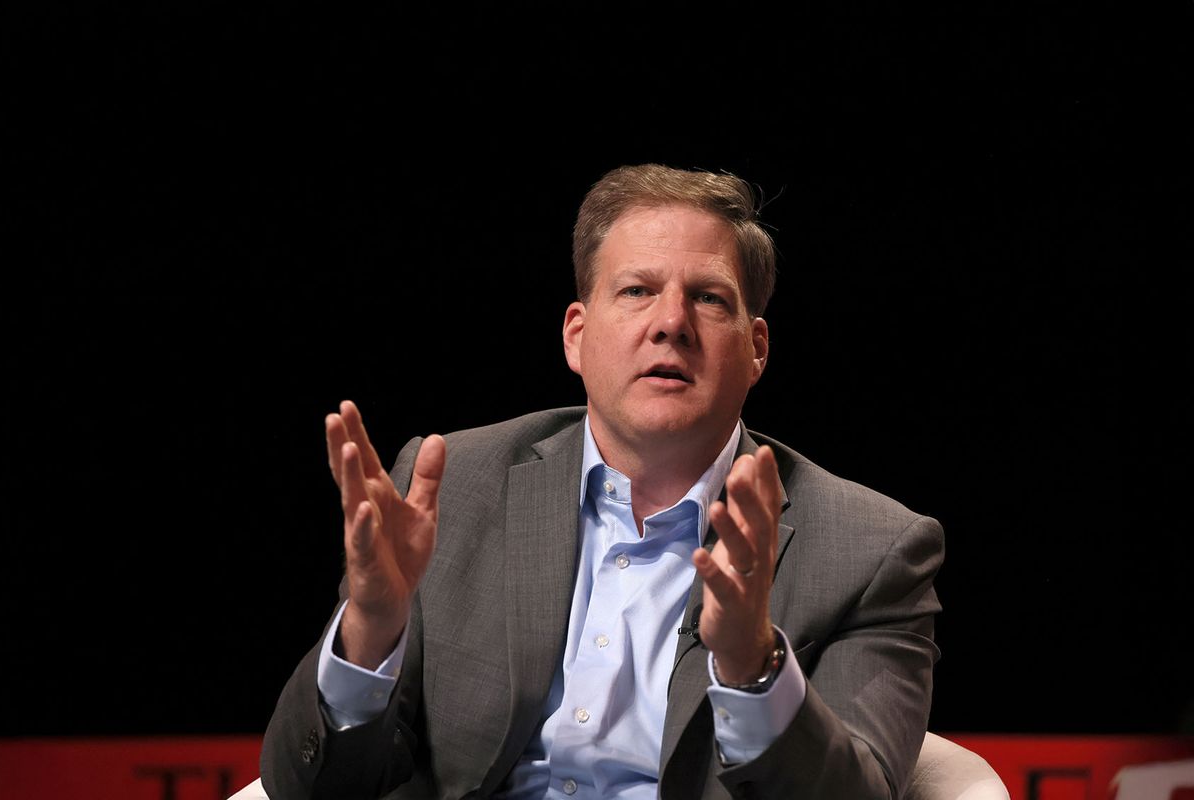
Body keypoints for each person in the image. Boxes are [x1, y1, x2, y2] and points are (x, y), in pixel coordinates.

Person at [260, 164, 945, 799]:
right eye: (637, 291)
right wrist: (371, 630)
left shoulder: (872, 552)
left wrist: (751, 665)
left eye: (707, 299)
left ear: (756, 348)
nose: (670, 324)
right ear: (577, 336)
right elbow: (309, 785)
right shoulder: (453, 491)